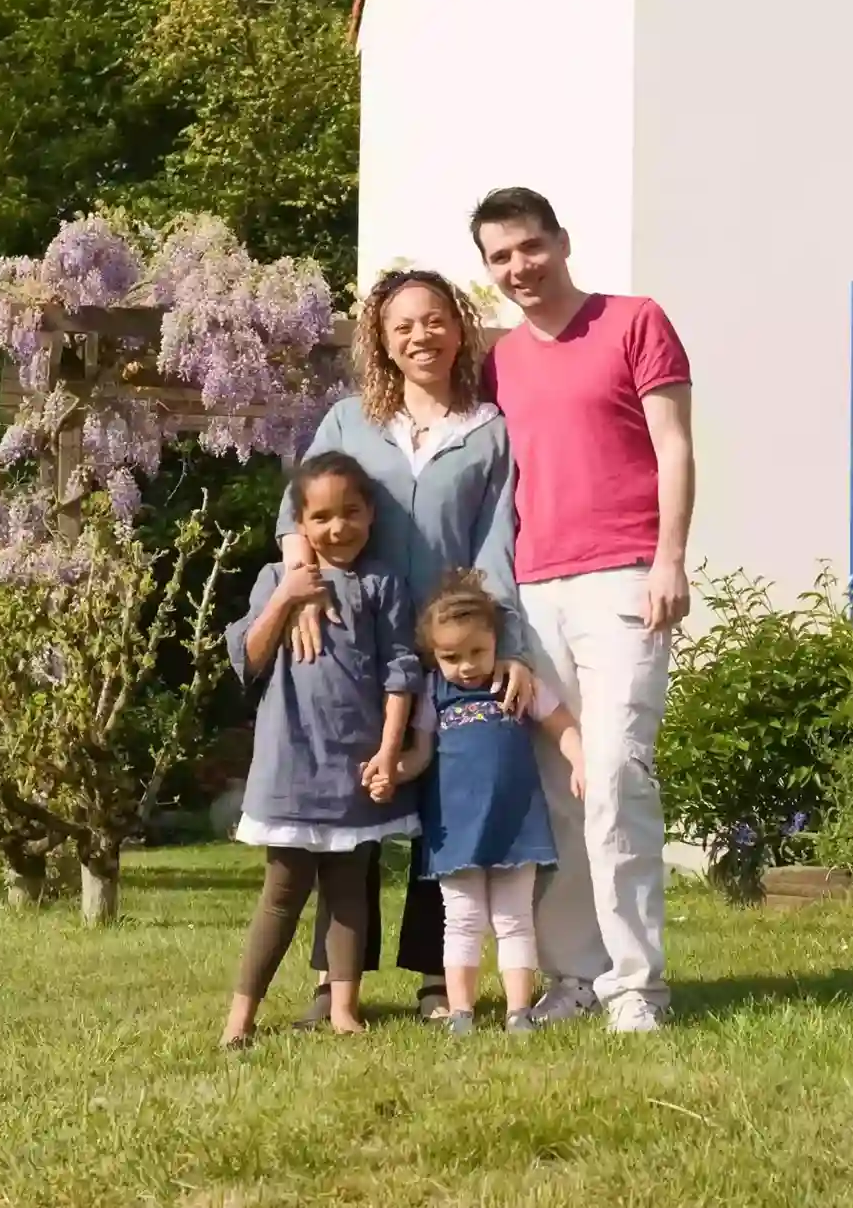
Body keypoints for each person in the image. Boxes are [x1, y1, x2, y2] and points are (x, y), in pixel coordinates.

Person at [276, 268, 536, 1024]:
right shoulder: (348, 422)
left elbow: (498, 547)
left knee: (446, 806)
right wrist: (301, 576)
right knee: (353, 804)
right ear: (382, 343)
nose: (420, 336)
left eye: (433, 321)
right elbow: (299, 513)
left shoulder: (490, 429)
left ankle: (435, 976)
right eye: (401, 327)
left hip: (455, 643)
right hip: (360, 641)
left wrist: (505, 642)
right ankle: (336, 980)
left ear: (458, 326)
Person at [472, 186, 696, 1035]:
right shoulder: (500, 360)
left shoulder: (635, 322)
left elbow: (674, 442)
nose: (520, 267)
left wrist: (669, 558)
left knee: (614, 774)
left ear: (561, 242)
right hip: (535, 590)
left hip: (626, 579)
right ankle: (577, 973)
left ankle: (638, 985)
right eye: (501, 257)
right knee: (557, 790)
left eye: (530, 247)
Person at [220, 452, 422, 1049]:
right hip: (291, 763)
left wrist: (390, 752)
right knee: (281, 895)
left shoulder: (383, 586)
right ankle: (240, 1018)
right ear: (301, 524)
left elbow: (400, 674)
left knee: (349, 891)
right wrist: (287, 596)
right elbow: (249, 659)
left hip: (355, 765)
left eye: (351, 513)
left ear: (371, 514)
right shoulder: (272, 580)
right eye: (323, 517)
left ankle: (343, 1008)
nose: (339, 528)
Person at [394, 570, 584, 1036]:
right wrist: (394, 770)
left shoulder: (517, 684)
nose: (465, 666)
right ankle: (461, 1012)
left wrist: (580, 761)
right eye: (450, 657)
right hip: (454, 828)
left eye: (477, 651)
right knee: (461, 920)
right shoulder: (433, 694)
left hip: (514, 823)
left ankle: (518, 1012)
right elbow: (420, 753)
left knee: (513, 919)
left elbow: (561, 725)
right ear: (433, 655)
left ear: (496, 639)